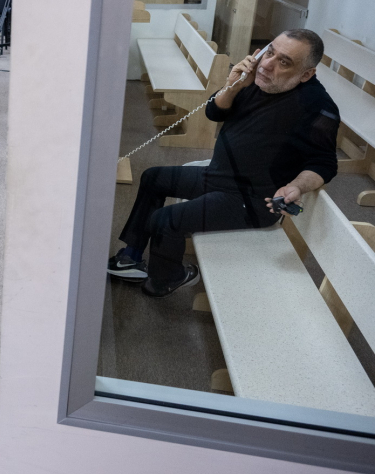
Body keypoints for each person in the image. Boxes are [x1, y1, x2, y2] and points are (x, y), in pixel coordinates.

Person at [108, 30, 339, 297]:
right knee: (152, 177)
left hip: (250, 201)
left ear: (306, 74)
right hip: (218, 176)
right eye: (270, 51)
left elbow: (324, 163)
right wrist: (234, 84)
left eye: (284, 62)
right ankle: (131, 257)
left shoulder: (318, 106)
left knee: (165, 220)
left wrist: (297, 186)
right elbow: (214, 111)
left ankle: (166, 279)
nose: (266, 64)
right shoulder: (256, 79)